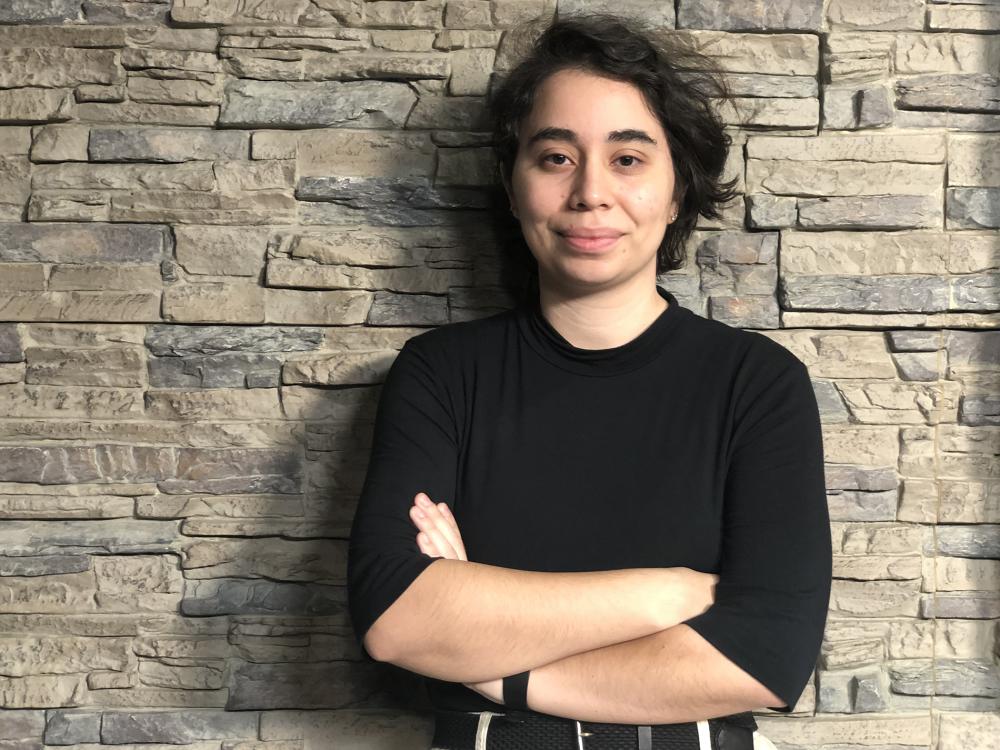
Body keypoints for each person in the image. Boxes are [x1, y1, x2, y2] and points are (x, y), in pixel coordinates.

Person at [347, 12, 832, 750]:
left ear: (677, 193)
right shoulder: (441, 375)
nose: (590, 194)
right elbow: (396, 619)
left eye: (629, 159)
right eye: (555, 158)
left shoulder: (757, 384)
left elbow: (765, 657)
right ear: (514, 190)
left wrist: (491, 661)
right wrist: (666, 594)